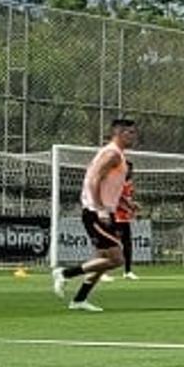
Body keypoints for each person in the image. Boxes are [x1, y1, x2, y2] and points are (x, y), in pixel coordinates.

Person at [52, 118, 138, 312]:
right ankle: (65, 273)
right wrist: (100, 209)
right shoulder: (112, 154)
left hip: (106, 211)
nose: (134, 136)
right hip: (96, 213)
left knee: (101, 261)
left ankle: (79, 300)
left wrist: (126, 203)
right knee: (117, 259)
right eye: (130, 133)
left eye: (134, 132)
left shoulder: (119, 156)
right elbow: (93, 180)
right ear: (118, 133)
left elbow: (110, 186)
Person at [114, 162, 140, 280]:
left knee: (127, 244)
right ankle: (102, 272)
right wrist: (130, 206)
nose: (130, 172)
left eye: (131, 170)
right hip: (115, 217)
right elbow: (117, 199)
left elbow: (128, 200)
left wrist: (133, 210)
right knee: (110, 245)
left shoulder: (130, 184)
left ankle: (127, 271)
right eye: (127, 169)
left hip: (124, 218)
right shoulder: (116, 182)